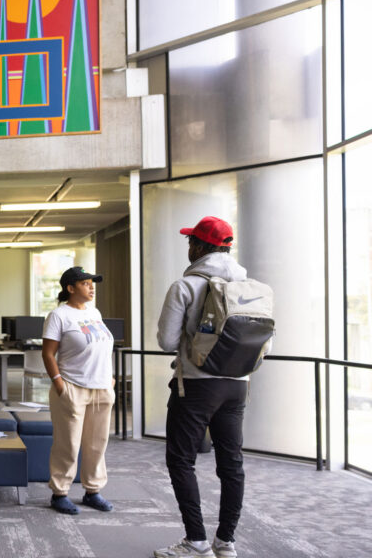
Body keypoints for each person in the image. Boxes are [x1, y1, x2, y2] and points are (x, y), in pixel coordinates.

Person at [154, 216, 246, 558]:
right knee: (231, 463)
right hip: (238, 384)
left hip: (196, 384)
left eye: (191, 241)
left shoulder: (185, 286)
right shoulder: (247, 285)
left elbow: (165, 341)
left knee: (181, 460)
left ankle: (196, 541)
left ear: (201, 247)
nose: (188, 246)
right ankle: (226, 542)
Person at [41, 266, 116, 515]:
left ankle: (92, 490)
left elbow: (101, 346)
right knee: (68, 444)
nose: (91, 287)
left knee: (97, 444)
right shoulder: (59, 315)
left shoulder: (94, 312)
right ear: (70, 288)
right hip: (73, 386)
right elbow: (48, 353)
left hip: (102, 388)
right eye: (85, 283)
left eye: (92, 283)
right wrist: (59, 384)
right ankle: (60, 492)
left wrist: (111, 378)